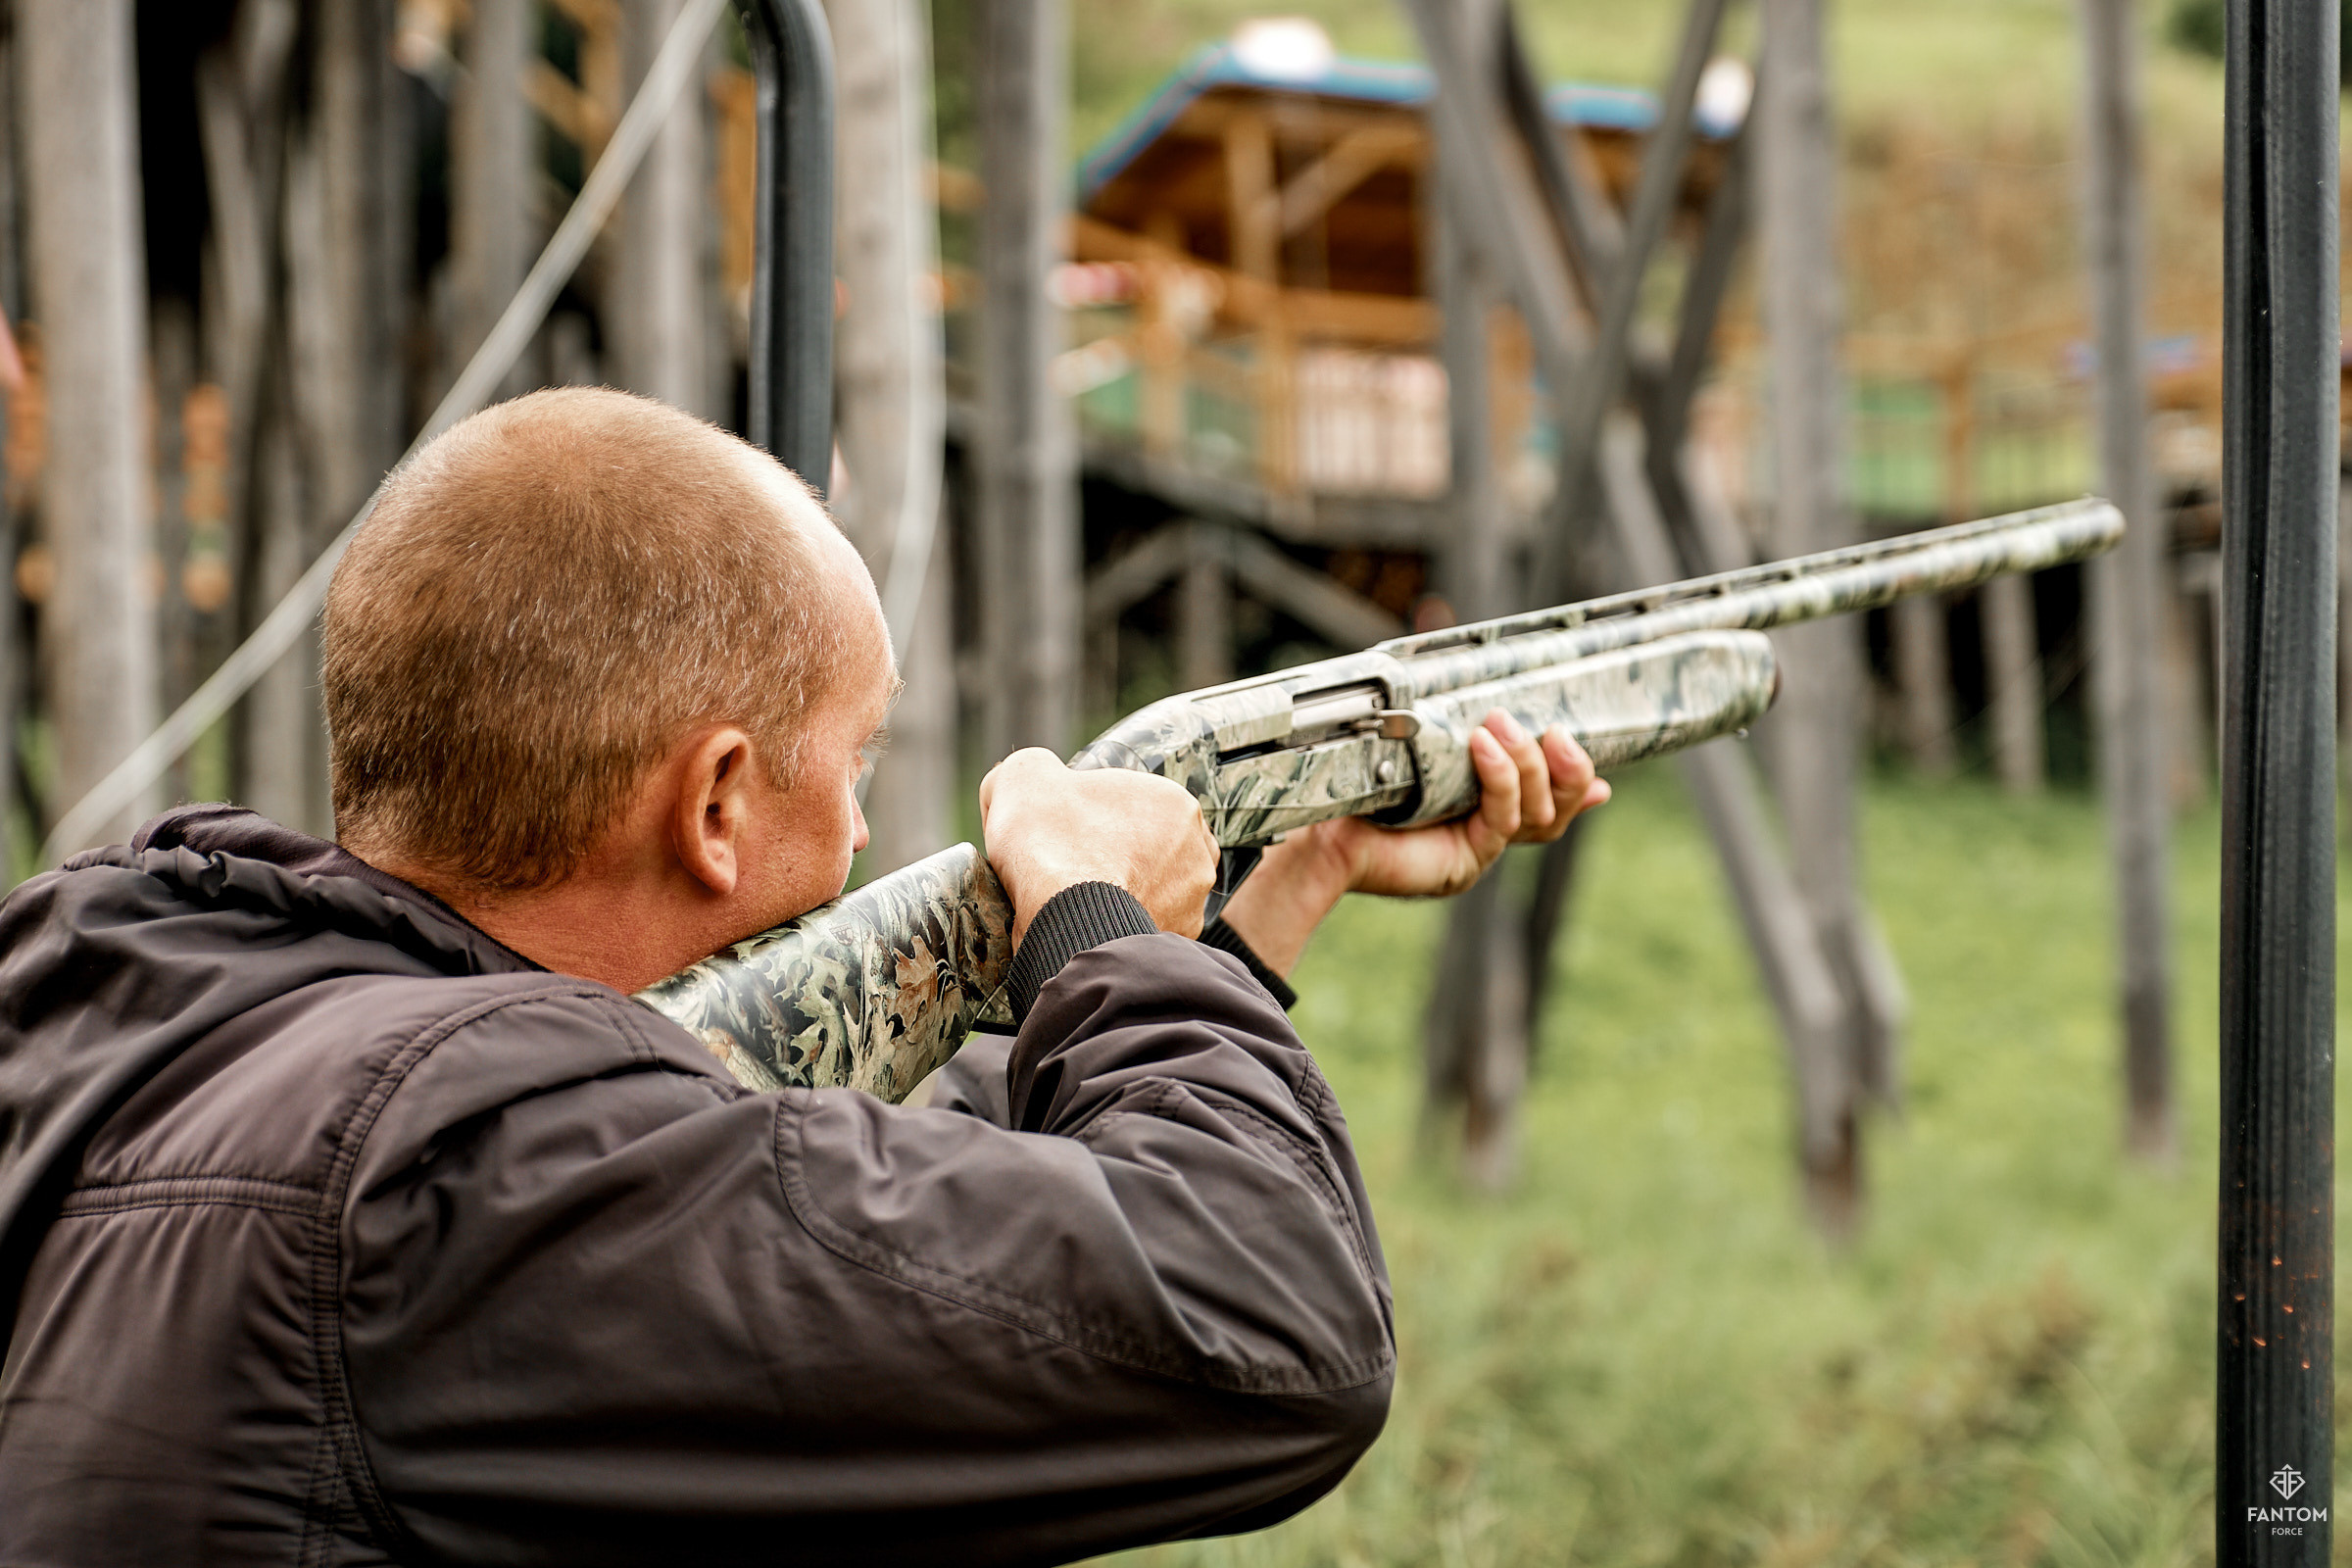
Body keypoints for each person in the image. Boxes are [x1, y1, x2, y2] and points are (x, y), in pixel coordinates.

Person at [0, 388, 1606, 1567]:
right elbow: (1275, 1318)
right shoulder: (477, 1179)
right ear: (710, 806)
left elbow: (830, 1203)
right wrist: (1100, 914)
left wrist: (1243, 922)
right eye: (854, 765)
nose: (860, 825)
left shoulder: (128, 1002)